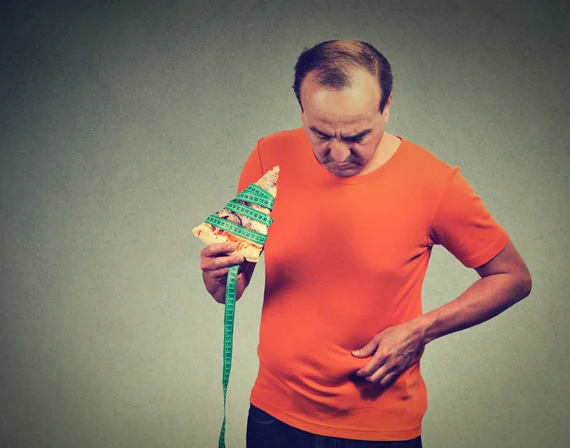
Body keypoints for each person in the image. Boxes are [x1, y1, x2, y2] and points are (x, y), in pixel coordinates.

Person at [198, 40, 532, 447]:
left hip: (376, 428)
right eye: (320, 133)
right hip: (273, 415)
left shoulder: (434, 183)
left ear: (386, 106)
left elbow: (512, 277)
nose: (338, 154)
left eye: (357, 135)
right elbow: (228, 288)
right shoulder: (270, 156)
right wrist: (217, 273)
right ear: (301, 109)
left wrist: (423, 329)